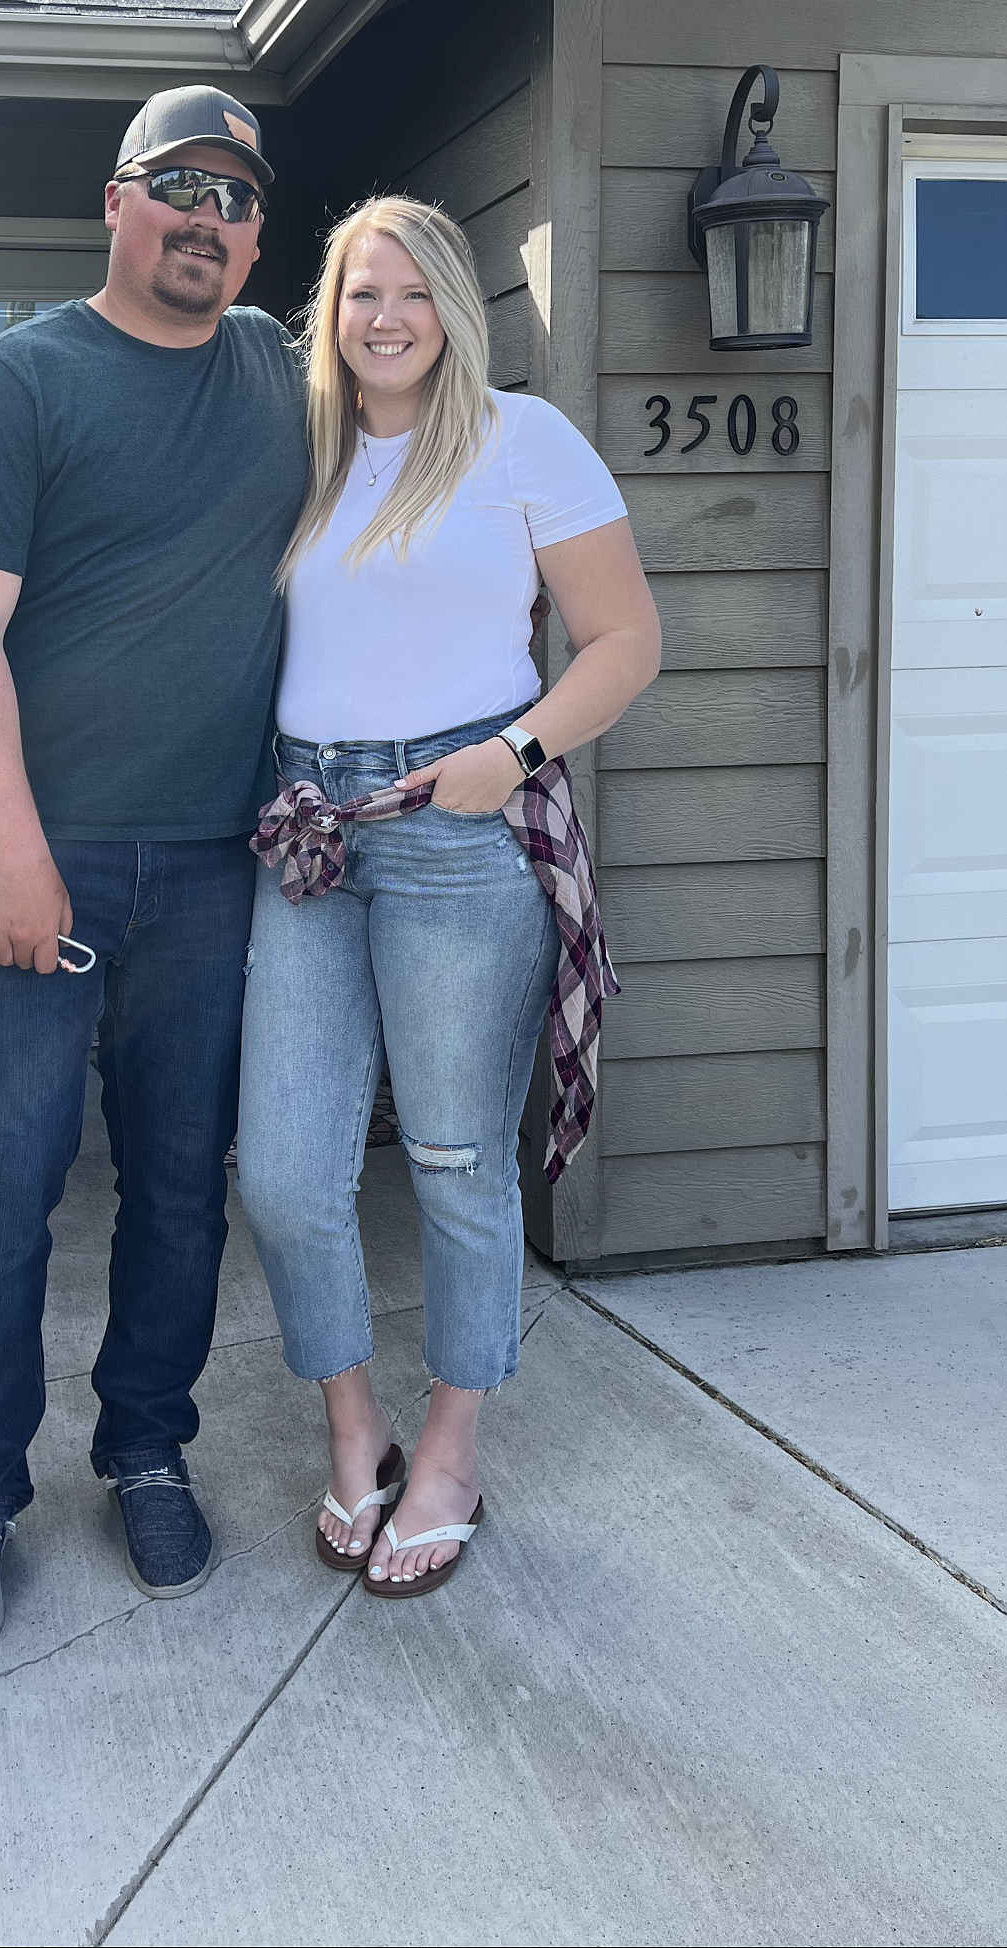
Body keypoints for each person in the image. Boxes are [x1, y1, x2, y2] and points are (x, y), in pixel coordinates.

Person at [0, 85, 307, 1662]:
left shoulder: (285, 369)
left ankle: (145, 1449)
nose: (206, 217)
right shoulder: (19, 381)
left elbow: (425, 417)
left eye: (237, 198)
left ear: (259, 235)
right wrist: (10, 844)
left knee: (180, 1193)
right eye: (177, 185)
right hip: (30, 866)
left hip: (212, 867)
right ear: (115, 204)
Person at [235, 196, 660, 1596]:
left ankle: (453, 1447)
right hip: (310, 830)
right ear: (331, 312)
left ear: (455, 309)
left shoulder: (522, 442)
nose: (386, 316)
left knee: (454, 1162)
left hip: (455, 829)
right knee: (291, 1174)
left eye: (413, 292)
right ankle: (351, 1428)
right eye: (361, 292)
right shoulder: (304, 449)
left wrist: (513, 752)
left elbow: (622, 640)